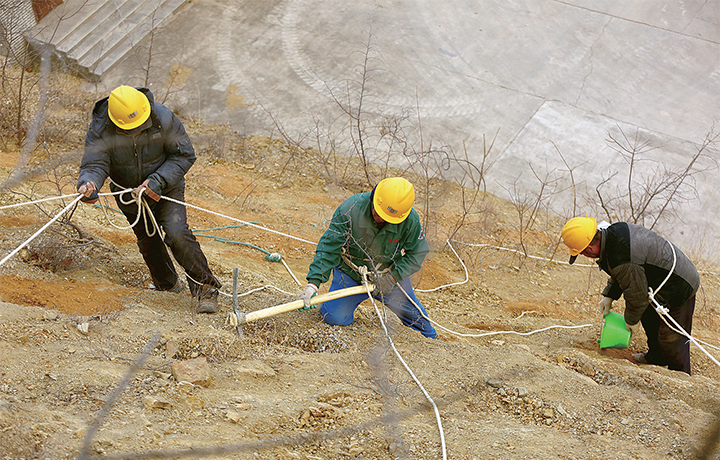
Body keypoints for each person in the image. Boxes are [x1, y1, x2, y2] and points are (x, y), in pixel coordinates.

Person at [76, 85, 222, 313]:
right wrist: (89, 183)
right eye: (128, 129)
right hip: (126, 192)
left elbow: (184, 155)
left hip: (166, 187)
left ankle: (206, 288)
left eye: (139, 127)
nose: (135, 131)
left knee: (176, 232)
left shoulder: (163, 117)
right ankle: (167, 284)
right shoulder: (101, 127)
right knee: (147, 238)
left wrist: (156, 181)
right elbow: (95, 163)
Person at [298, 177, 437, 338]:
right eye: (379, 212)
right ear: (373, 198)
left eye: (388, 218)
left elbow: (417, 253)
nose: (381, 218)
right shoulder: (350, 209)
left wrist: (392, 278)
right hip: (352, 274)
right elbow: (329, 247)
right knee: (334, 317)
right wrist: (312, 285)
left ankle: (433, 341)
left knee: (423, 327)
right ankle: (333, 306)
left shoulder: (409, 220)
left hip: (389, 275)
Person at [561, 216, 700, 374]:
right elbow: (622, 271)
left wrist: (631, 320)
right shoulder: (613, 234)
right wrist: (610, 295)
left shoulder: (621, 254)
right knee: (648, 317)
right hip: (658, 278)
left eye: (581, 253)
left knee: (672, 336)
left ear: (590, 249)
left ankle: (681, 377)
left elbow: (636, 294)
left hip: (680, 283)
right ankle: (657, 358)